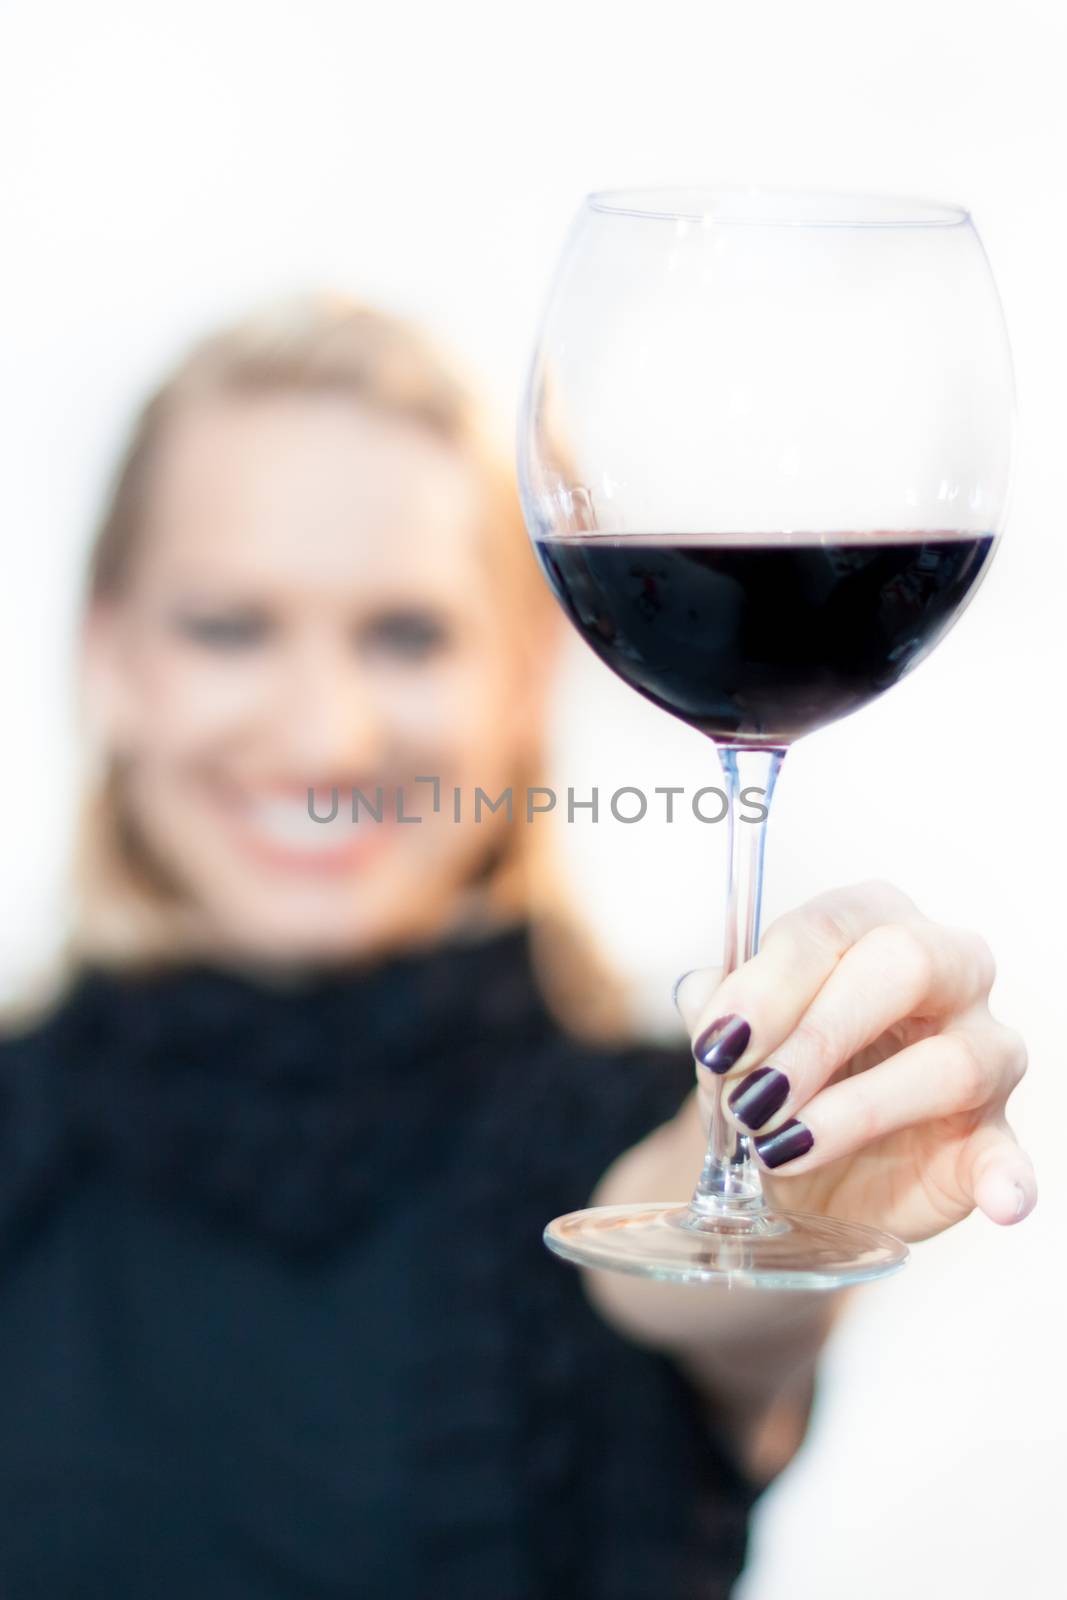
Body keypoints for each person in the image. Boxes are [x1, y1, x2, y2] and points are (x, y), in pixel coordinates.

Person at [0, 296, 1035, 1600]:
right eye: (229, 627)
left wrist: (777, 1182)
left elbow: (692, 1275)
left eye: (409, 635)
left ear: (526, 677)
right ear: (110, 660)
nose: (327, 735)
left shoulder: (626, 1142)